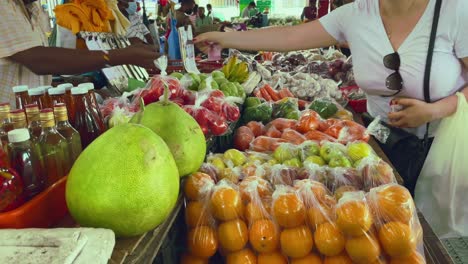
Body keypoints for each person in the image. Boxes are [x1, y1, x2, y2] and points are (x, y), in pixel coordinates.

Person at [195, 0, 468, 194]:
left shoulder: (454, 11)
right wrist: (224, 39)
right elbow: (290, 36)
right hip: (377, 145)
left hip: (443, 148)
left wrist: (435, 110)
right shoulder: (356, 14)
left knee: (434, 232)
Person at [1, 0, 159, 104]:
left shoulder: (34, 10)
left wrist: (77, 88)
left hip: (33, 118)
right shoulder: (4, 6)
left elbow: (35, 79)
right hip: (6, 125)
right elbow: (38, 60)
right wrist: (119, 56)